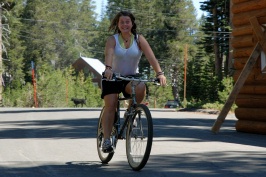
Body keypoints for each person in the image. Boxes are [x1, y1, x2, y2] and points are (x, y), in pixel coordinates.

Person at [101, 11, 167, 153]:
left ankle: (130, 111)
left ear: (132, 23)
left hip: (130, 77)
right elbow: (109, 54)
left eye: (127, 22)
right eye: (122, 22)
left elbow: (151, 57)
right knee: (111, 105)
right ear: (118, 25)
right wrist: (108, 68)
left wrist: (160, 73)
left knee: (141, 86)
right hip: (112, 77)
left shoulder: (138, 39)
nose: (125, 24)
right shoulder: (112, 39)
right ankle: (106, 139)